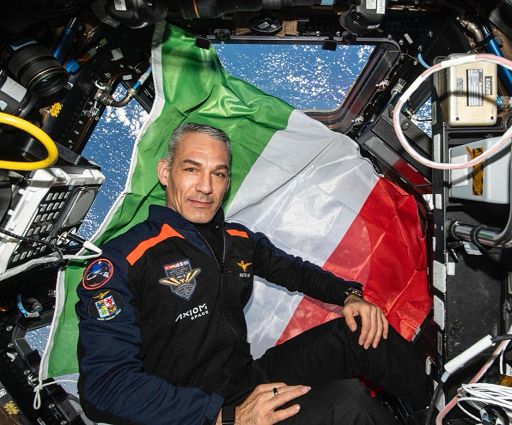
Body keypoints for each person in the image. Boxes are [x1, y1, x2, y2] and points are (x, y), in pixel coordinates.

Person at [76, 123, 429, 425]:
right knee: (347, 403)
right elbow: (103, 387)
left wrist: (349, 296)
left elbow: (295, 271)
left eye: (218, 173)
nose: (205, 187)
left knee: (363, 331)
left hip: (248, 378)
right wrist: (225, 416)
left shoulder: (236, 239)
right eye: (192, 169)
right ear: (165, 173)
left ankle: (441, 408)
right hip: (200, 412)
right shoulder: (124, 259)